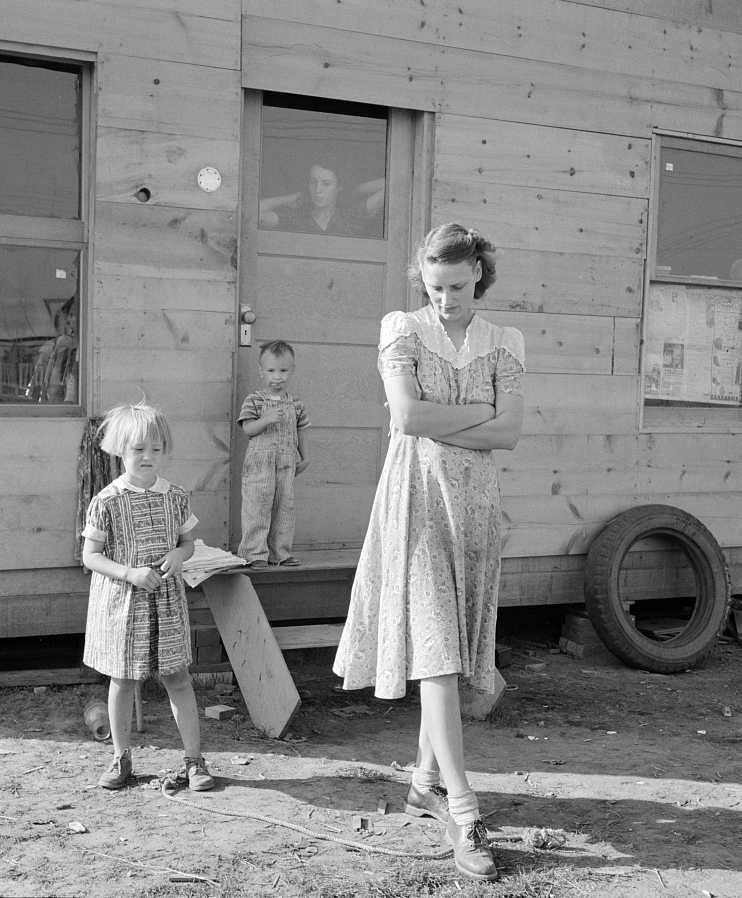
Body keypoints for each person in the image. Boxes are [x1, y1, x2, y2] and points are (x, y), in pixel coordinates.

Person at [333, 223, 525, 881]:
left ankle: (422, 783)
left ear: (477, 272)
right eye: (433, 286)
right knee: (438, 649)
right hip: (416, 501)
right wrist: (480, 419)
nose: (444, 298)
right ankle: (464, 809)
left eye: (455, 284)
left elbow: (514, 432)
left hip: (474, 510)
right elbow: (408, 419)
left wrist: (465, 424)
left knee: (455, 646)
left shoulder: (505, 341)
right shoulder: (401, 328)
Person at [81, 401, 214, 792]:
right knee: (122, 680)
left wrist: (178, 553)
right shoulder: (107, 500)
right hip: (124, 606)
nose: (148, 457)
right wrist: (130, 574)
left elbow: (188, 543)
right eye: (139, 449)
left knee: (176, 677)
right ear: (121, 450)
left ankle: (194, 760)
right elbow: (90, 557)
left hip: (167, 605)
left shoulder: (175, 496)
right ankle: (121, 758)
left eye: (156, 449)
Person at [237, 340, 310, 568]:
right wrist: (266, 419)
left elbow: (301, 429)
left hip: (286, 463)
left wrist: (304, 456)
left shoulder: (295, 403)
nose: (277, 376)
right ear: (261, 372)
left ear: (292, 371)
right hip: (260, 464)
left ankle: (281, 553)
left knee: (284, 507)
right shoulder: (254, 400)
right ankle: (254, 554)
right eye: (271, 371)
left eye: (283, 370)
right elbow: (248, 429)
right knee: (257, 507)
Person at [259, 160, 384, 237]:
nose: (317, 190)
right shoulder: (296, 218)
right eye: (313, 182)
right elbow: (254, 215)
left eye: (326, 184)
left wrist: (352, 190)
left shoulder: (350, 217)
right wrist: (287, 199)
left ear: (338, 187)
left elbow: (391, 186)